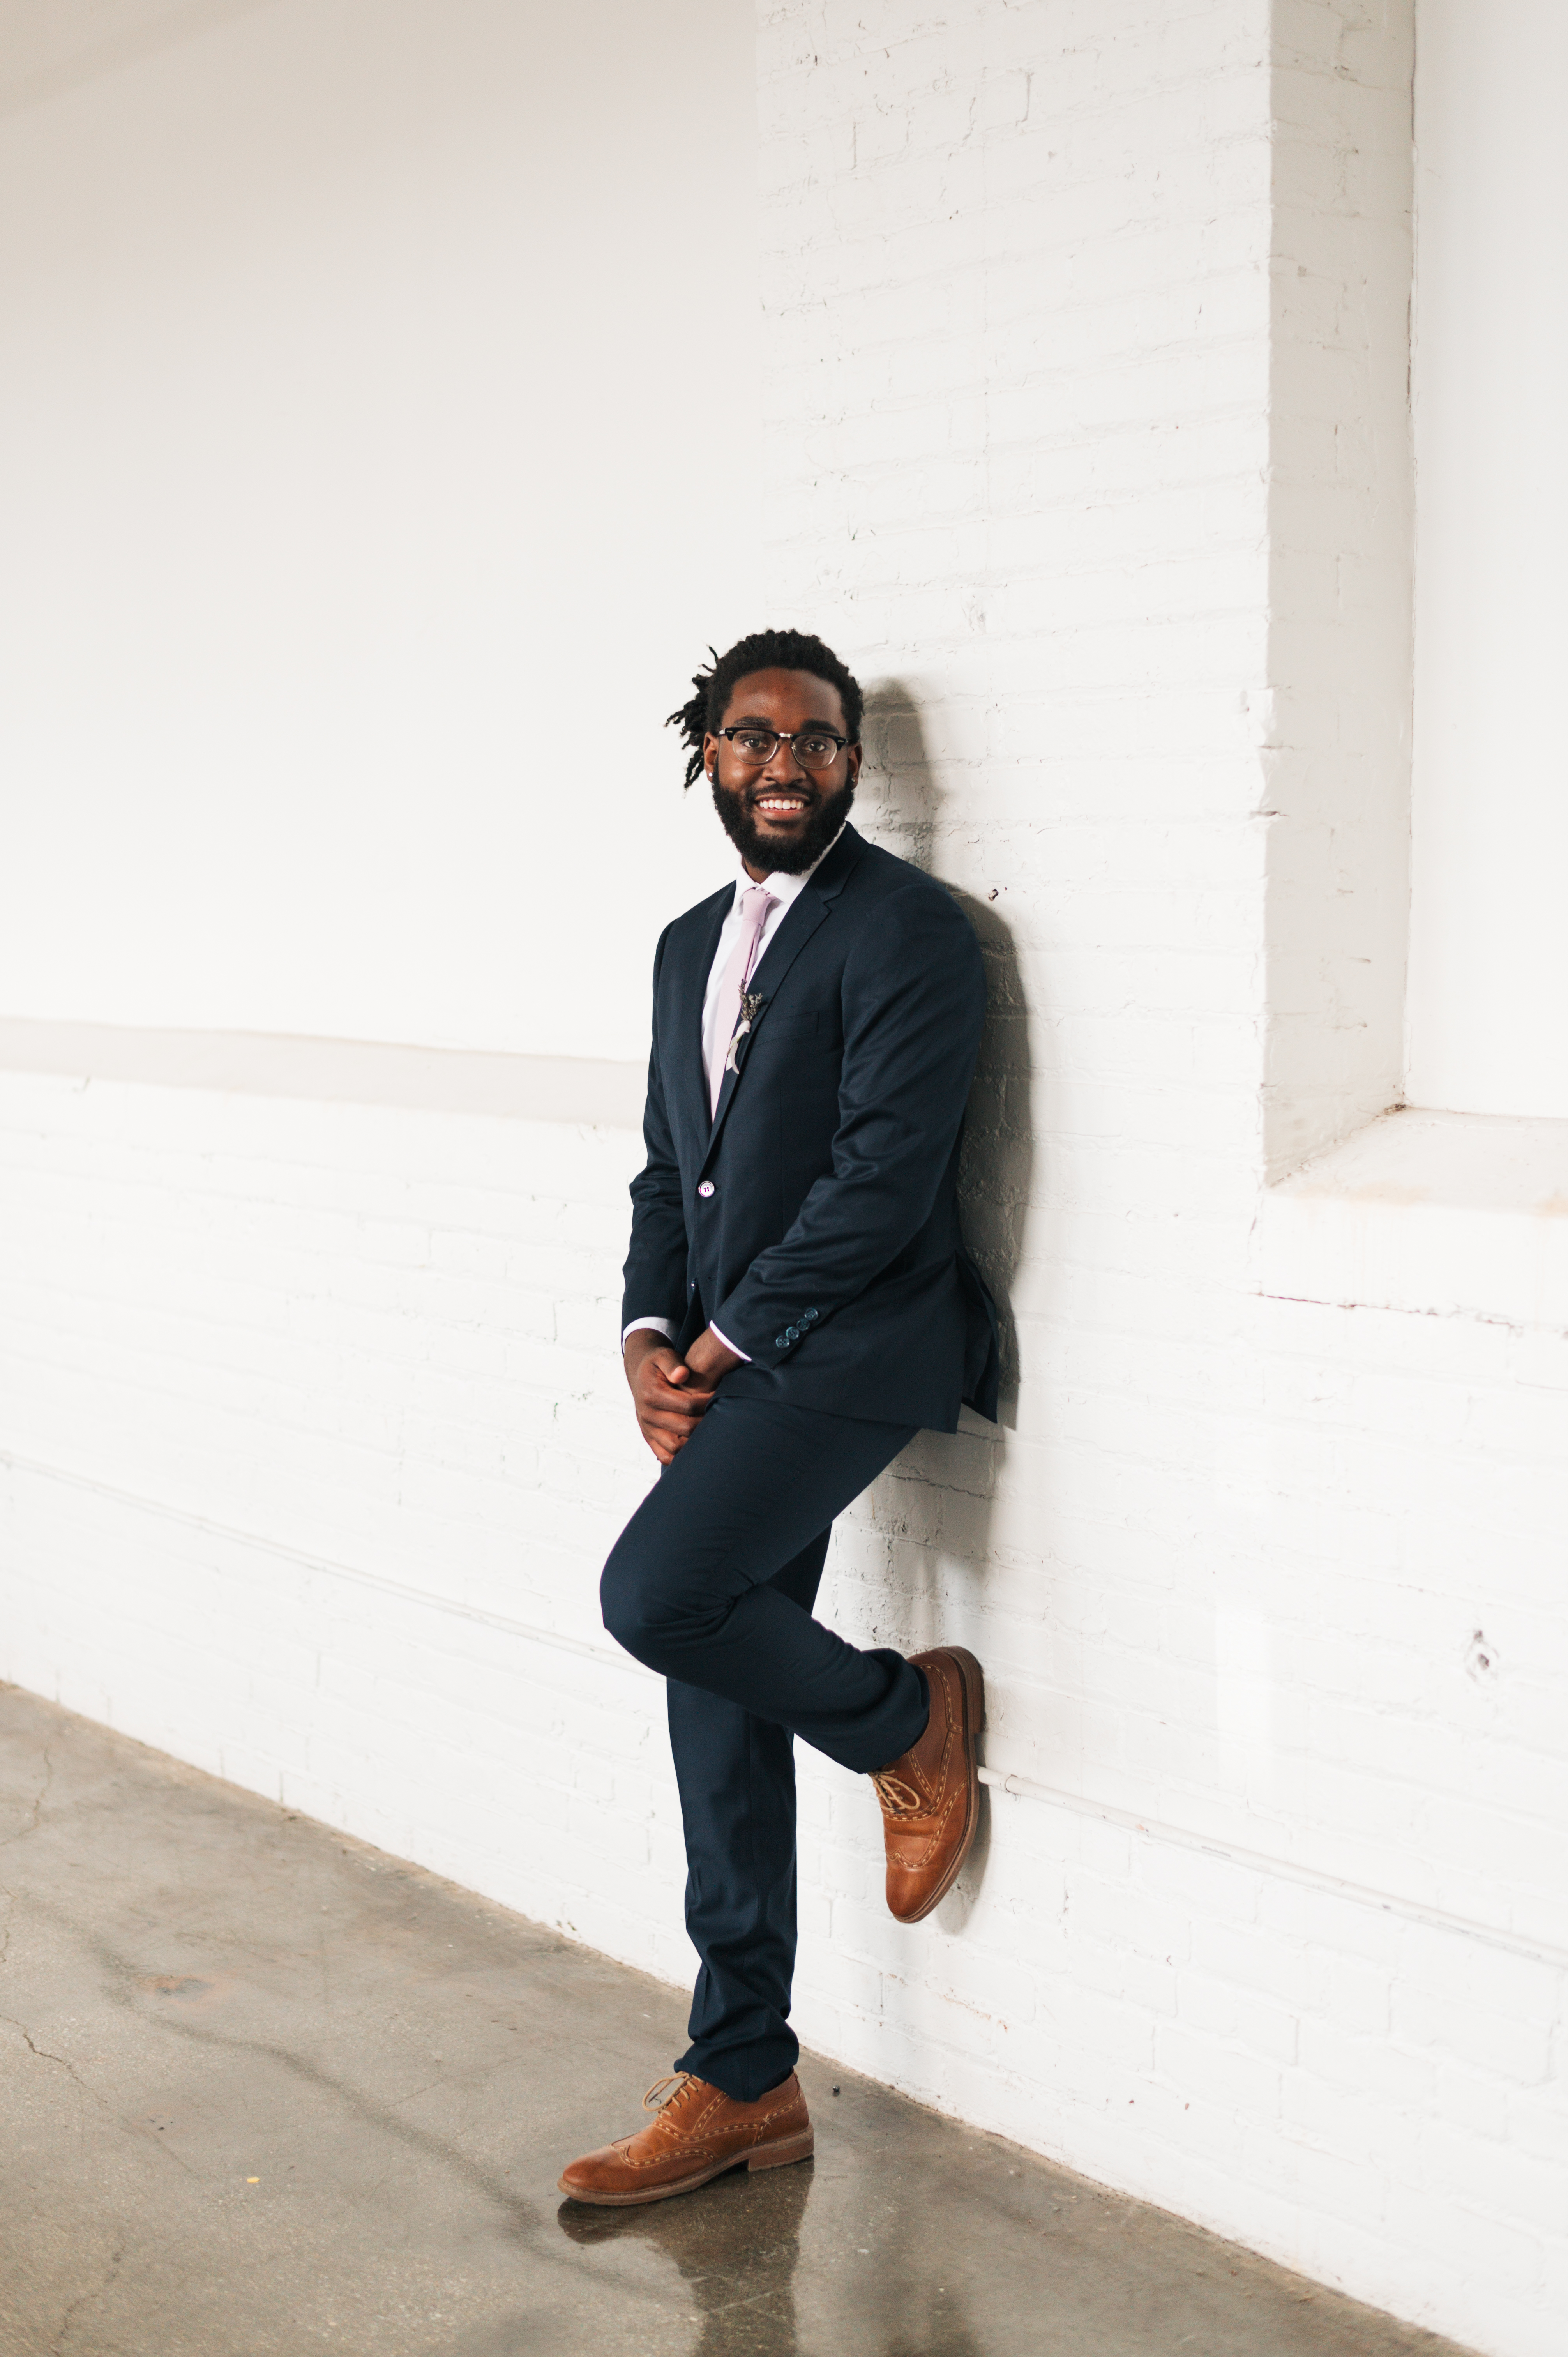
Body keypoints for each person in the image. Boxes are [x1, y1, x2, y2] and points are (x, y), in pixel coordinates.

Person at [558, 628, 999, 2207]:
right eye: (752, 737)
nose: (782, 763)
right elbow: (665, 1166)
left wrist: (730, 1345)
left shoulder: (912, 935)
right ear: (709, 758)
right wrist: (647, 1338)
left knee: (655, 1598)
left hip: (855, 1347)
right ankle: (742, 2076)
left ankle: (906, 1721)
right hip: (735, 1358)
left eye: (816, 742)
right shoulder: (689, 943)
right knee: (711, 1678)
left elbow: (883, 1187)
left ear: (853, 768)